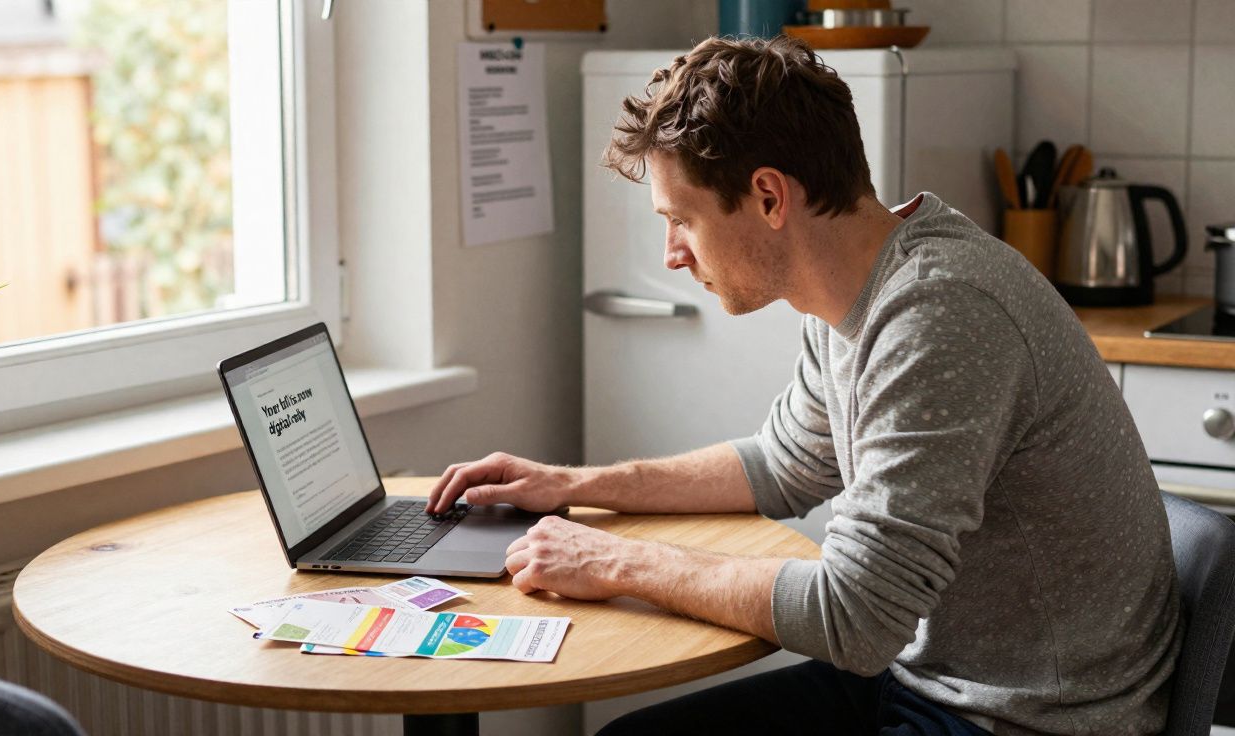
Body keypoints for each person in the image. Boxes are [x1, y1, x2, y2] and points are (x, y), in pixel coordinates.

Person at [426, 35, 1180, 735]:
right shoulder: (853, 290)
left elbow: (854, 617)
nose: (671, 255)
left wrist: (617, 561)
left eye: (681, 220)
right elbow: (783, 465)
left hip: (1027, 719)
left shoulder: (940, 315)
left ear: (768, 197)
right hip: (934, 682)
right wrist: (569, 484)